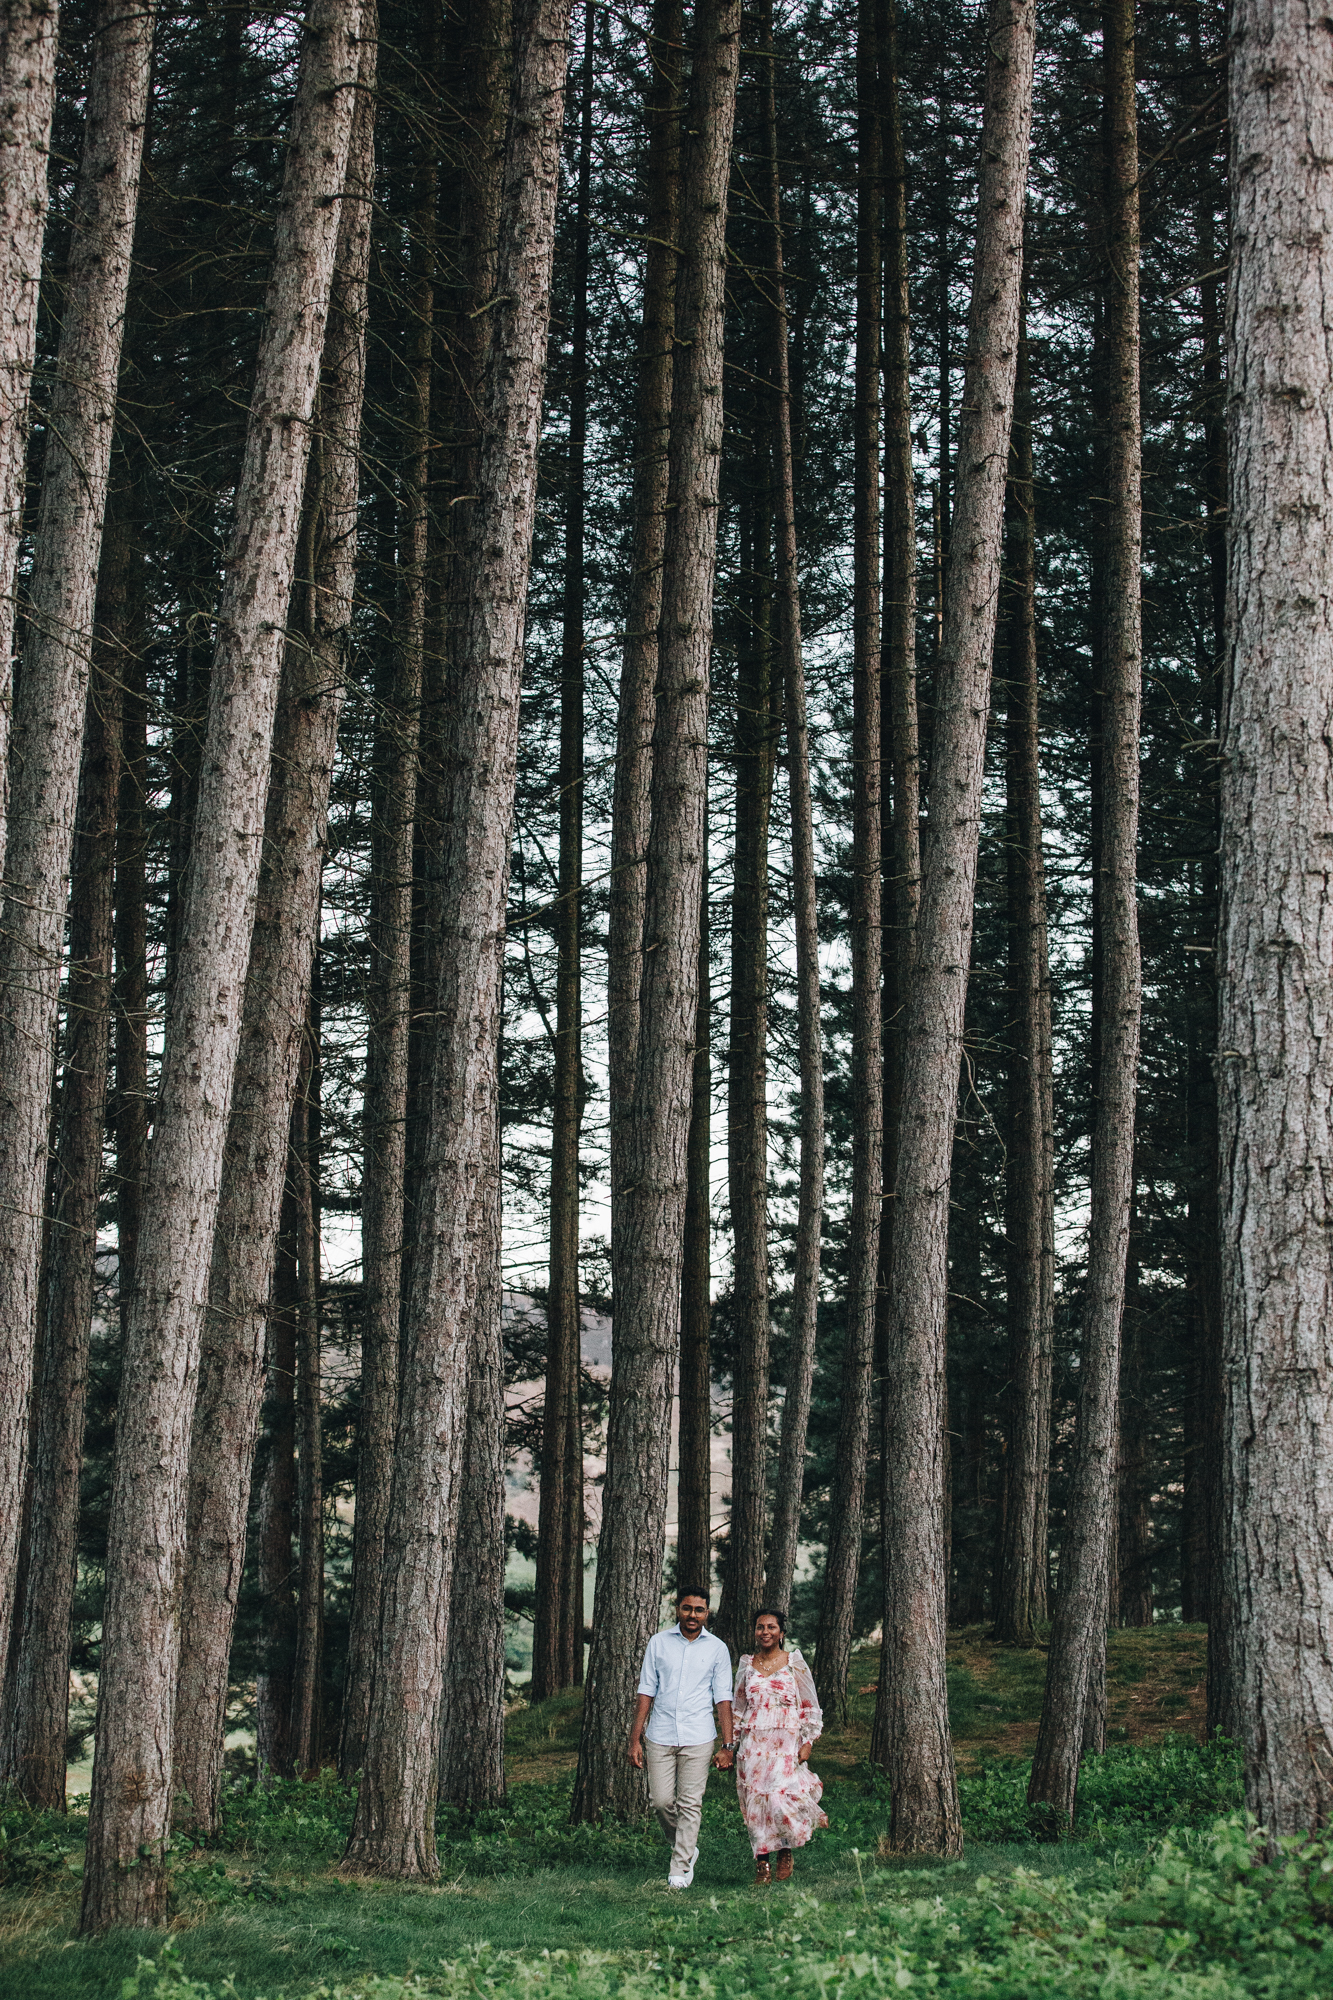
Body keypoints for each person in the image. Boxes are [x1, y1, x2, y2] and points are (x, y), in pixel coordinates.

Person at [629, 1588, 734, 1889]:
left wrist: (728, 1746)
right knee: (660, 1801)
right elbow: (646, 1691)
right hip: (660, 1734)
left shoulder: (717, 1648)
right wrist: (634, 1740)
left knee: (690, 1803)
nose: (692, 1615)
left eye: (699, 1610)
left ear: (707, 1612)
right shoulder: (658, 1643)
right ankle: (686, 1847)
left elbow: (723, 1699)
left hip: (698, 1735)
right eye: (687, 1608)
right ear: (677, 1609)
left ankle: (679, 1868)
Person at [725, 1606, 827, 1885]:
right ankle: (762, 1863)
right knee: (756, 1803)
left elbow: (809, 1705)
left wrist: (807, 1742)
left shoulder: (794, 1662)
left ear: (781, 1633)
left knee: (779, 1799)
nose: (765, 1632)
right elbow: (738, 1709)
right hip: (753, 1745)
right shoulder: (747, 1664)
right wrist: (729, 1746)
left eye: (771, 1627)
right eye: (760, 1627)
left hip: (785, 1742)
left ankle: (784, 1850)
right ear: (755, 1632)